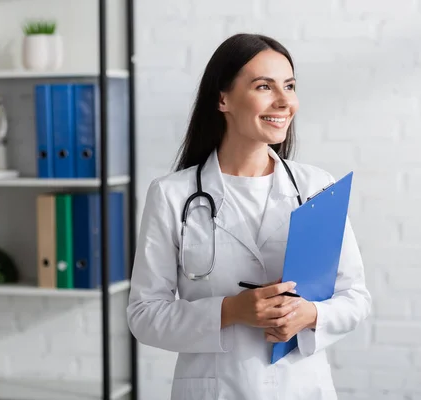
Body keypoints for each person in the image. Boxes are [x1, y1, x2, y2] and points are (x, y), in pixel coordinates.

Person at [126, 33, 372, 400]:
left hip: (301, 388)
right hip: (214, 389)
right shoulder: (171, 195)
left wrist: (309, 315)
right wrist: (229, 311)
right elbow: (144, 316)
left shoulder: (317, 187)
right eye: (264, 86)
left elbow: (355, 297)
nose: (284, 101)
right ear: (222, 99)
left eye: (289, 86)